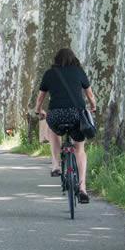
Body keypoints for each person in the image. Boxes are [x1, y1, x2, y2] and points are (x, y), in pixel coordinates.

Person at [34, 47, 97, 203]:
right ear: (74, 59)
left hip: (56, 114)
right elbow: (89, 94)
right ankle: (82, 188)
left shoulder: (50, 74)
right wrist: (93, 107)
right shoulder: (79, 72)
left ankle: (55, 165)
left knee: (54, 131)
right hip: (77, 115)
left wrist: (39, 110)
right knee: (79, 149)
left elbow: (41, 97)